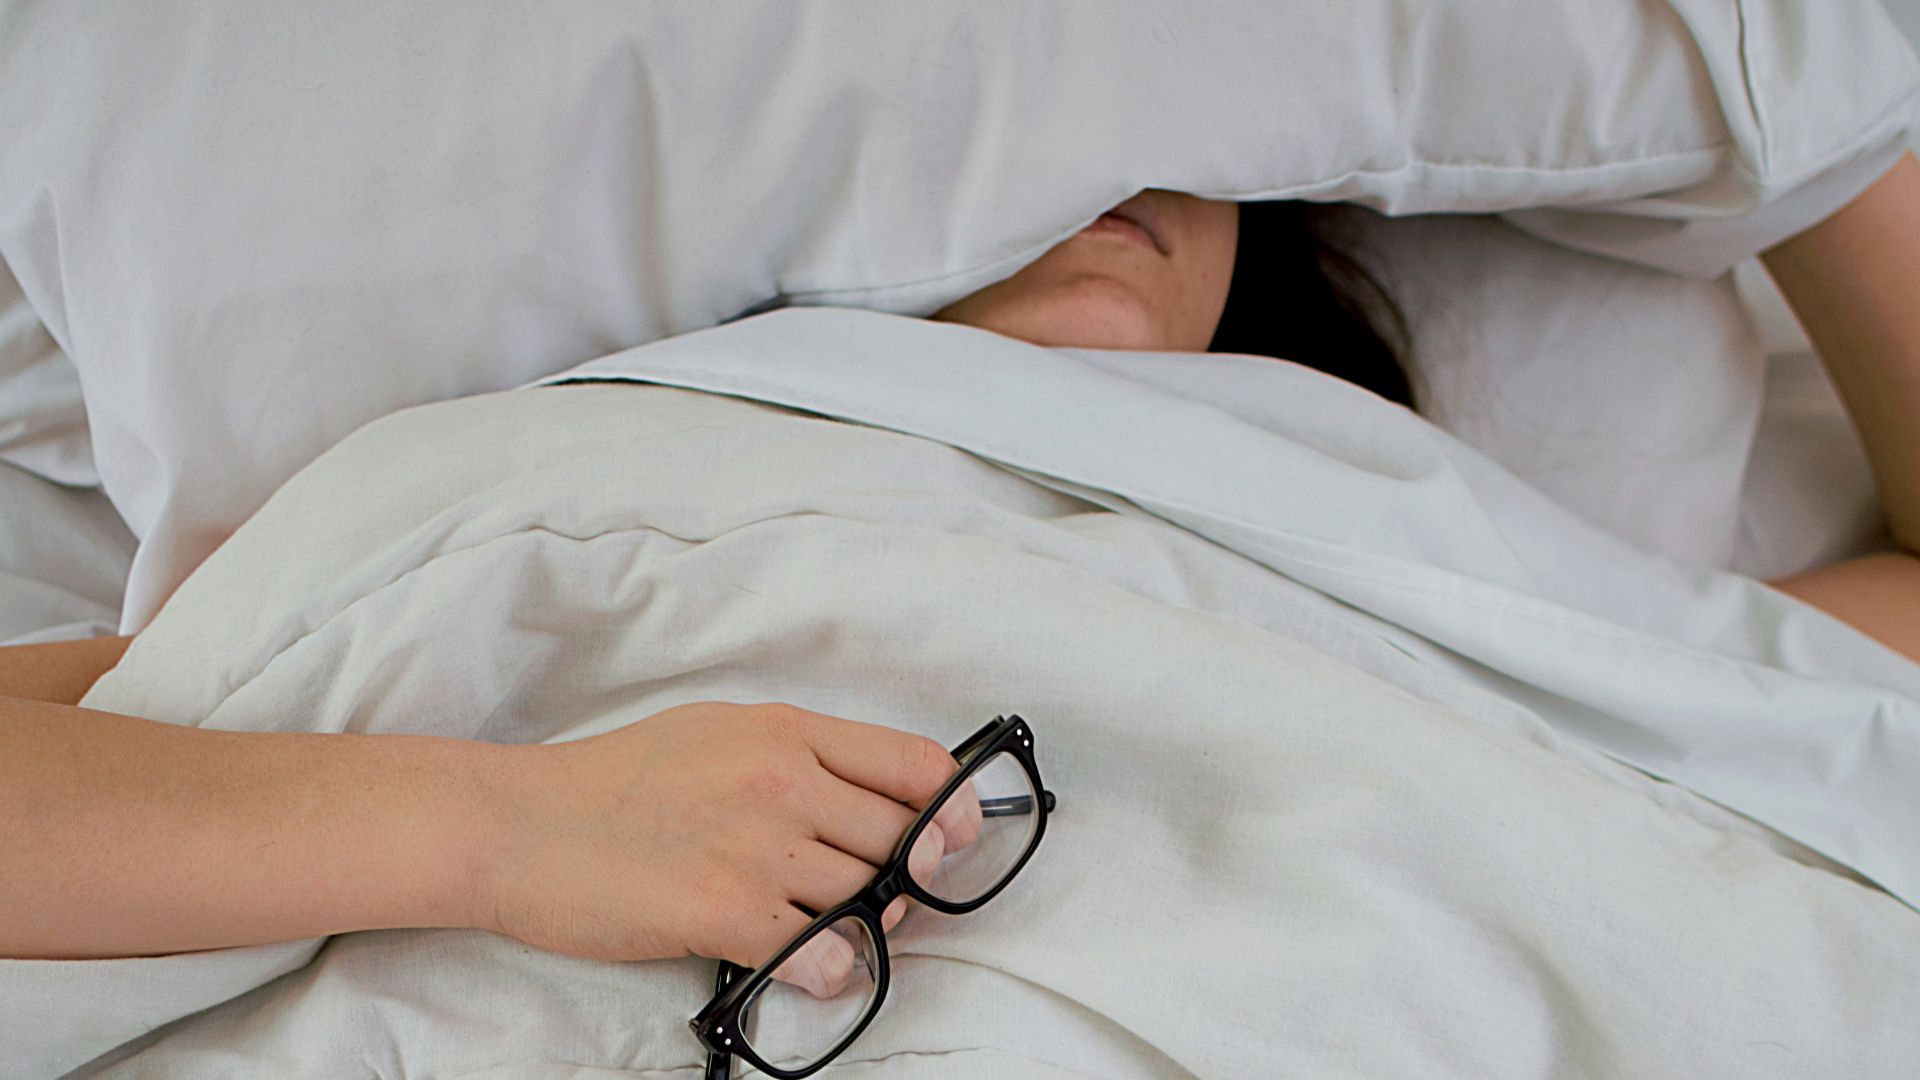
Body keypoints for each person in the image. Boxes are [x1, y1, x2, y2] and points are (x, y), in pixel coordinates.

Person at [3, 163, 1918, 990]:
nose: (1099, 161)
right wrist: (504, 829)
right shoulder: (572, 480)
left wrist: (1800, 106)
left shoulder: (1409, 542)